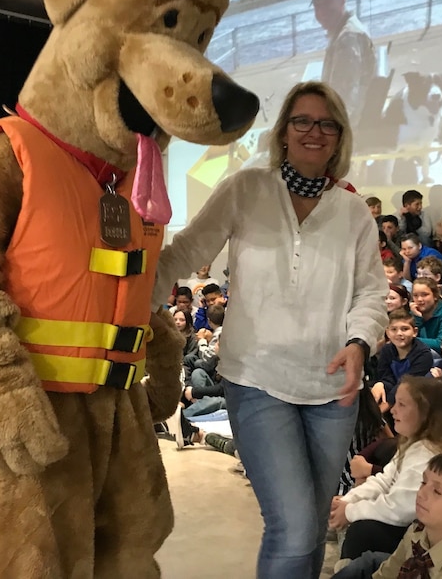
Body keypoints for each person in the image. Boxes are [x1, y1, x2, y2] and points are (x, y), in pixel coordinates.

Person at [153, 81, 388, 578]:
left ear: (339, 137)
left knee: (307, 528)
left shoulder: (352, 211)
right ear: (283, 132)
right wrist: (128, 300)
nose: (314, 132)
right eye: (302, 121)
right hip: (257, 380)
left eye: (327, 123)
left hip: (333, 391)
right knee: (296, 526)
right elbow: (186, 252)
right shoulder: (246, 189)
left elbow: (371, 291)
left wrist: (359, 342)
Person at [329, 378, 442, 564]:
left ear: (426, 413)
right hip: (416, 521)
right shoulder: (415, 443)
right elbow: (385, 479)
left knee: (363, 531)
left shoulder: (429, 453)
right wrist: (348, 501)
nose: (393, 410)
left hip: (437, 532)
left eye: (402, 405)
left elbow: (400, 509)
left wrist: (351, 512)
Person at [310, 0, 375, 127]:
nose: (321, 12)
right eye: (317, 6)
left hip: (348, 129)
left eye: (327, 3)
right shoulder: (344, 32)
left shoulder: (347, 39)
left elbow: (342, 104)